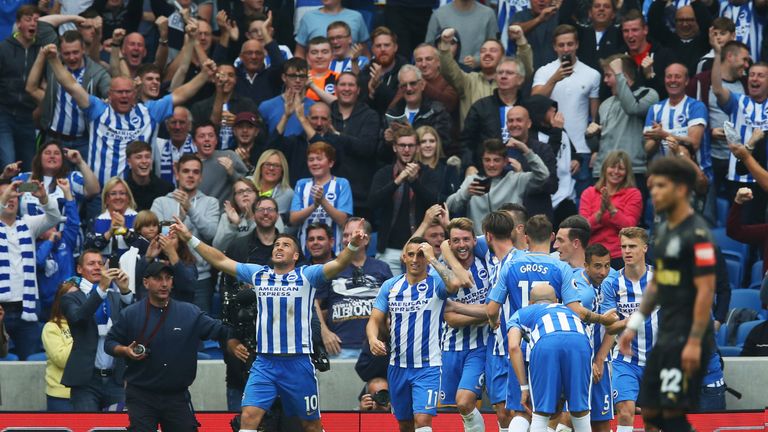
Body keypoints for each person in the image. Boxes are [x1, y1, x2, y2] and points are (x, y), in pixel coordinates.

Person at [170, 210, 368, 432]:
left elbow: (339, 264)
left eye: (285, 245)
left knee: (311, 426)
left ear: (295, 256)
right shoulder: (258, 274)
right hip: (265, 363)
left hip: (298, 364)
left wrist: (352, 246)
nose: (279, 247)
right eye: (276, 245)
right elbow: (220, 259)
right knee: (248, 417)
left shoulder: (307, 276)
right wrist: (189, 238)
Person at [618, 156, 717, 432]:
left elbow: (706, 290)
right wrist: (633, 325)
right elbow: (658, 284)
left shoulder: (698, 235)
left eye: (662, 186)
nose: (655, 193)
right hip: (666, 338)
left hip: (687, 336)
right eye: (653, 186)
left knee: (672, 416)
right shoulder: (662, 232)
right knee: (650, 412)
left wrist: (695, 342)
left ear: (681, 190)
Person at [105, 261, 232, 431]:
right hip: (141, 394)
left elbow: (221, 330)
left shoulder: (190, 312)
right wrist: (125, 350)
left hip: (176, 395)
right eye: (158, 279)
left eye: (168, 278)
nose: (164, 284)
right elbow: (110, 343)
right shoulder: (131, 313)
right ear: (145, 282)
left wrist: (239, 323)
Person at [366, 237, 460, 432]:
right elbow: (374, 320)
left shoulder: (436, 284)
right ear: (403, 257)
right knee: (405, 425)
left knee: (423, 420)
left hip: (428, 367)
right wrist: (373, 338)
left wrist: (433, 259)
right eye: (411, 254)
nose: (415, 259)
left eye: (420, 255)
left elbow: (454, 284)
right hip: (397, 367)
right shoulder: (390, 286)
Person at [430, 218, 491, 432]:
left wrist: (459, 307)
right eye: (456, 240)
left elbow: (494, 311)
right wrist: (485, 313)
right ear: (450, 242)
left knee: (465, 402)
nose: (462, 244)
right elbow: (450, 319)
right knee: (448, 413)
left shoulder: (488, 262)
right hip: (448, 349)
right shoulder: (439, 272)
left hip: (481, 348)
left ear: (475, 240)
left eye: (466, 239)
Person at [507, 283, 594, 432]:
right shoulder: (572, 312)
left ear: (531, 302)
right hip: (580, 342)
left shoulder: (522, 312)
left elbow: (514, 347)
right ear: (556, 301)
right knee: (580, 411)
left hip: (546, 343)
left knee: (540, 413)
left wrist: (524, 387)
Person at [532, 24, 600, 195]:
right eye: (561, 45)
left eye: (570, 44)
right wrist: (554, 79)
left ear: (577, 44)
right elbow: (535, 101)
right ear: (554, 47)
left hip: (582, 148)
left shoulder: (592, 74)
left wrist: (595, 149)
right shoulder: (544, 71)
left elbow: (595, 117)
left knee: (580, 208)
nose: (566, 49)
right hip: (552, 147)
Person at [60, 249, 132, 411]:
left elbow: (133, 322)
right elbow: (79, 317)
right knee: (87, 427)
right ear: (79, 269)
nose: (97, 267)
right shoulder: (71, 297)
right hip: (86, 381)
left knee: (120, 428)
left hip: (116, 379)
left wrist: (125, 291)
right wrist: (101, 289)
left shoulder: (114, 296)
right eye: (91, 264)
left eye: (100, 263)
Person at [0, 178, 62, 359]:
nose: (11, 199)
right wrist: (5, 196)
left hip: (28, 307)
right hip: (1, 308)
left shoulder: (28, 223)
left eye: (14, 196)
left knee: (30, 362)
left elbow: (54, 217)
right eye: (5, 195)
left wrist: (44, 198)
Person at [25, 28, 110, 159]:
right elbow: (31, 87)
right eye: (67, 53)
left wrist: (108, 99)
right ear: (60, 52)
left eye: (75, 52)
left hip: (84, 142)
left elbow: (110, 94)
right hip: (54, 140)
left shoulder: (97, 73)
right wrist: (42, 54)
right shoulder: (53, 66)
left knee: (83, 180)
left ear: (83, 50)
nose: (72, 57)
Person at [150, 152, 219, 313]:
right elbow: (155, 237)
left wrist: (190, 210)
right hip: (165, 276)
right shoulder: (160, 202)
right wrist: (178, 219)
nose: (190, 175)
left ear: (201, 177)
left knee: (200, 332)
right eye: (186, 171)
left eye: (195, 172)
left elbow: (211, 233)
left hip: (200, 278)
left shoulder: (211, 203)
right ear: (177, 174)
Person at [602, 227, 655, 432]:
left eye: (632, 246)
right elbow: (610, 326)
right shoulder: (612, 283)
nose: (627, 251)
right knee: (625, 410)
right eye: (623, 246)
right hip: (626, 361)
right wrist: (632, 319)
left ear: (644, 248)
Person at [315, 218, 392, 360]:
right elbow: (313, 303)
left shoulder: (382, 268)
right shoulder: (331, 267)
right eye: (345, 235)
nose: (347, 239)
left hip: (374, 347)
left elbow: (392, 305)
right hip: (340, 348)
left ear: (366, 239)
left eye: (354, 234)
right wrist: (324, 332)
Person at [368, 126, 440, 275]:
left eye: (411, 145)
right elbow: (373, 203)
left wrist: (414, 182)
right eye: (402, 145)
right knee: (392, 294)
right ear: (394, 147)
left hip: (421, 249)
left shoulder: (428, 173)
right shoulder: (384, 173)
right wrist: (397, 181)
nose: (406, 149)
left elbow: (435, 203)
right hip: (389, 249)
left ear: (417, 148)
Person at [446, 138, 549, 235]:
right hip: (481, 243)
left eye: (496, 160)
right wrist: (466, 194)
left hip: (510, 242)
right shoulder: (472, 180)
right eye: (487, 160)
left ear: (505, 161)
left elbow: (543, 175)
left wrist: (526, 150)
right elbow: (450, 206)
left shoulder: (516, 179)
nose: (491, 165)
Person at [687, 39, 749, 195]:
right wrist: (709, 132)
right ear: (730, 56)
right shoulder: (702, 81)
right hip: (711, 157)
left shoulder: (747, 84)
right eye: (744, 60)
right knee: (709, 211)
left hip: (737, 159)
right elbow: (690, 113)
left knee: (737, 207)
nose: (747, 65)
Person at [437, 27, 532, 128]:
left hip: (506, 139)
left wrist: (521, 41)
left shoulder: (509, 81)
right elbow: (448, 69)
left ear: (503, 56)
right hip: (474, 140)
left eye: (493, 50)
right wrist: (445, 45)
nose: (487, 54)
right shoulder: (468, 80)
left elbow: (524, 70)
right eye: (483, 51)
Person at [0, 5, 56, 170]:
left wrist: (40, 107)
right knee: (8, 162)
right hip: (4, 114)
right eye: (28, 19)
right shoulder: (4, 48)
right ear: (18, 23)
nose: (33, 23)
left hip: (27, 116)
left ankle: (27, 196)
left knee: (29, 166)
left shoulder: (41, 50)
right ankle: (5, 195)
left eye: (36, 20)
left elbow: (45, 83)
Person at [591, 54, 659, 184]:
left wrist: (618, 74)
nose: (605, 80)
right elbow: (597, 144)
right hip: (603, 172)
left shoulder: (648, 94)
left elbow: (632, 108)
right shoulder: (605, 104)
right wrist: (590, 136)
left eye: (608, 75)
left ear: (623, 76)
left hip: (633, 172)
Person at [579, 151, 642, 269]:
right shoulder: (589, 193)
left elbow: (630, 228)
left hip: (620, 256)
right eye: (612, 167)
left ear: (627, 172)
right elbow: (583, 229)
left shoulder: (633, 194)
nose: (616, 172)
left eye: (621, 168)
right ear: (604, 169)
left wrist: (612, 209)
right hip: (593, 256)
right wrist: (600, 212)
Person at [460, 57, 527, 166]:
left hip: (524, 171)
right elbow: (466, 143)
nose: (503, 76)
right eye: (500, 73)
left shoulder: (528, 107)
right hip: (487, 169)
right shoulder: (480, 107)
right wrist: (469, 166)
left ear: (520, 79)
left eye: (509, 73)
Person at [330, 72, 380, 219]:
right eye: (342, 84)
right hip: (328, 194)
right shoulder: (325, 114)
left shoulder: (370, 116)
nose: (347, 88)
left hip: (360, 196)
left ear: (358, 90)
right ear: (335, 89)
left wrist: (337, 136)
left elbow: (367, 148)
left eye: (351, 85)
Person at [289, 142, 352, 255]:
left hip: (335, 254)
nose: (315, 163)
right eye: (311, 159)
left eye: (319, 159)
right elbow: (293, 219)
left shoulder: (342, 184)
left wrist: (323, 201)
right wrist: (314, 206)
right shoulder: (302, 184)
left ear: (331, 163)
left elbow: (343, 220)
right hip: (304, 253)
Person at [10, 142, 100, 218]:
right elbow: (4, 198)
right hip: (29, 236)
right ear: (39, 158)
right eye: (47, 153)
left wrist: (80, 162)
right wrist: (4, 177)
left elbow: (94, 190)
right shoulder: (25, 179)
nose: (52, 156)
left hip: (64, 236)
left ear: (62, 159)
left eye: (57, 153)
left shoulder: (71, 179)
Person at [382, 65, 453, 160]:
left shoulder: (437, 110)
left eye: (413, 83)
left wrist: (413, 134)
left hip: (428, 167)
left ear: (422, 85)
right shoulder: (392, 112)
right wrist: (388, 141)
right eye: (404, 85)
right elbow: (380, 153)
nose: (409, 88)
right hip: (398, 167)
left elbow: (444, 143)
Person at [35, 178, 80, 322]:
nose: (54, 227)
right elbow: (38, 262)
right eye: (48, 225)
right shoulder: (35, 247)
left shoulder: (66, 241)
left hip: (70, 298)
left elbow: (73, 222)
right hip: (47, 305)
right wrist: (49, 242)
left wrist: (67, 193)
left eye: (54, 224)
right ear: (40, 232)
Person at [192, 64, 259, 151]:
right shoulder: (200, 107)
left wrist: (238, 122)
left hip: (240, 153)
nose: (226, 79)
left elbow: (260, 133)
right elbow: (194, 135)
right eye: (221, 75)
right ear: (213, 79)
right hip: (209, 154)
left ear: (236, 79)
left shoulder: (247, 105)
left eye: (230, 75)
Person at [42, 281, 79, 412]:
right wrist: (79, 333)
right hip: (60, 396)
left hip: (86, 393)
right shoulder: (51, 327)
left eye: (78, 296)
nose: (74, 301)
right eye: (70, 297)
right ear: (60, 301)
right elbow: (62, 360)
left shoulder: (87, 324)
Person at [192, 121, 249, 206]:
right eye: (202, 136)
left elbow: (249, 186)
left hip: (226, 215)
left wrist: (232, 172)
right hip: (197, 214)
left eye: (211, 136)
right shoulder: (189, 163)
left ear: (216, 140)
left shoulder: (229, 156)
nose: (207, 139)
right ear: (194, 142)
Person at [425, 0, 499, 62]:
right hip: (446, 74)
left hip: (479, 73)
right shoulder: (438, 15)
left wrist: (478, 60)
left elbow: (495, 48)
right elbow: (429, 50)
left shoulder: (488, 14)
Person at [294, 0, 369, 59]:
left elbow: (365, 53)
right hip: (317, 75)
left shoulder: (356, 17)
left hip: (350, 74)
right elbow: (299, 53)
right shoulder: (308, 18)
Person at [259, 58, 315, 137]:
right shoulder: (266, 106)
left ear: (307, 79)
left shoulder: (314, 107)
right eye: (293, 76)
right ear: (284, 77)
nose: (298, 80)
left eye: (302, 76)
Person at [359, 27, 408, 116]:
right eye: (378, 46)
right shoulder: (366, 72)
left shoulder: (406, 71)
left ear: (395, 47)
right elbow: (360, 108)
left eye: (386, 45)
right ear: (372, 49)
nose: (382, 49)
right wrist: (370, 94)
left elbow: (398, 104)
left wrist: (378, 85)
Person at [85, 177, 139, 257]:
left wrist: (125, 231)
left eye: (122, 193)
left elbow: (143, 247)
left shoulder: (139, 218)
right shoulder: (96, 221)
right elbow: (88, 249)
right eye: (113, 193)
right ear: (106, 199)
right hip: (103, 268)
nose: (118, 197)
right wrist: (109, 233)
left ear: (128, 198)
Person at [124, 141, 174, 212]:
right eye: (139, 157)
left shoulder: (166, 189)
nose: (144, 161)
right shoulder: (123, 190)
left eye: (147, 157)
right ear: (128, 161)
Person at [416, 126, 461, 202]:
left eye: (432, 141)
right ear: (416, 145)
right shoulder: (411, 169)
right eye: (423, 141)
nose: (428, 145)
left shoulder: (448, 169)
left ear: (437, 143)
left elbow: (455, 200)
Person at [251, 150, 293, 231]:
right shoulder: (248, 184)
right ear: (260, 166)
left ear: (282, 170)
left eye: (276, 165)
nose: (271, 168)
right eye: (267, 164)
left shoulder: (287, 193)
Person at [153, 107, 197, 186]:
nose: (177, 127)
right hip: (164, 196)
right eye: (173, 122)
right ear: (167, 126)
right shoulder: (158, 146)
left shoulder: (197, 146)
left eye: (182, 122)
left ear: (190, 125)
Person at [213, 179, 259, 251]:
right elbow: (218, 247)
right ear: (235, 198)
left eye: (249, 191)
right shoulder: (227, 217)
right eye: (240, 192)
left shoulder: (267, 213)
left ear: (256, 195)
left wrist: (250, 217)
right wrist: (233, 225)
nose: (245, 194)